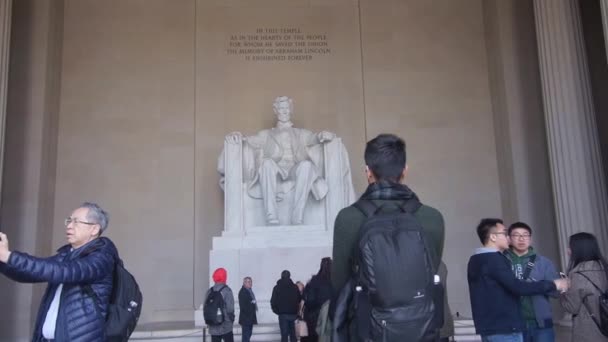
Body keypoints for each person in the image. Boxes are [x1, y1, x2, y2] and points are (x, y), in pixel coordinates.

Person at [331, 133, 446, 341]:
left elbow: (340, 284)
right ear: (405, 171)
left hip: (368, 330)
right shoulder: (431, 218)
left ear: (368, 172)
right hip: (421, 329)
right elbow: (431, 270)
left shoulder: (348, 218)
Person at [0, 202, 117, 342]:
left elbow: (63, 271)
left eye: (76, 222)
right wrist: (3, 262)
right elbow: (32, 272)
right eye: (68, 221)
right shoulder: (67, 255)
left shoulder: (101, 257)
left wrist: (10, 256)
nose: (69, 226)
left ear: (94, 229)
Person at [221, 96, 344, 225]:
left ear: (291, 110)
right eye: (281, 108)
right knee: (266, 163)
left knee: (307, 165)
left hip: (294, 170)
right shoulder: (266, 134)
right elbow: (249, 141)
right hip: (276, 171)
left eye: (287, 108)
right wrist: (237, 136)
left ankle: (298, 217)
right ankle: (271, 215)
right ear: (275, 110)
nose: (284, 111)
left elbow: (314, 138)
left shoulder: (301, 133)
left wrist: (322, 135)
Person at [468, 218, 569, 342]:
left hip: (495, 326)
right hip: (504, 327)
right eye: (506, 234)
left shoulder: (476, 259)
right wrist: (554, 284)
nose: (508, 238)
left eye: (525, 235)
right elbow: (518, 287)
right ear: (493, 237)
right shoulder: (495, 260)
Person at [504, 221, 560, 342]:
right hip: (512, 324)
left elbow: (556, 293)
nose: (521, 239)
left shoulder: (544, 262)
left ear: (531, 239)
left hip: (541, 324)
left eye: (525, 235)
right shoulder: (502, 261)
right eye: (516, 235)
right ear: (509, 239)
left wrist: (539, 285)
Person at [560, 232, 608, 342]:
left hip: (590, 332)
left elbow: (571, 307)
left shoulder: (578, 274)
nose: (568, 250)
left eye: (570, 247)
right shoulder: (605, 268)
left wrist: (563, 289)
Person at [302, 257, 334, 342]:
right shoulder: (334, 281)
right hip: (330, 316)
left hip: (314, 317)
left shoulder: (314, 281)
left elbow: (309, 300)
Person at [205, 268, 235, 342]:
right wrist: (231, 319)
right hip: (226, 325)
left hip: (213, 324)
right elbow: (230, 308)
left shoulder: (209, 291)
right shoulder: (227, 290)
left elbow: (205, 307)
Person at [271, 270, 301, 342]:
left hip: (283, 314)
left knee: (284, 335)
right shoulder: (295, 287)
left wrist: (277, 311)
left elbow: (273, 301)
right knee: (293, 335)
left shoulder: (277, 287)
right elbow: (299, 299)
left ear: (281, 276)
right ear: (289, 276)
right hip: (293, 314)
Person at [238, 276, 257, 342]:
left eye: (250, 282)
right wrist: (252, 303)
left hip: (249, 318)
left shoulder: (249, 291)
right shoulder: (243, 292)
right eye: (248, 282)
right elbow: (243, 306)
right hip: (246, 318)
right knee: (246, 336)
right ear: (244, 283)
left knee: (248, 335)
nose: (250, 283)